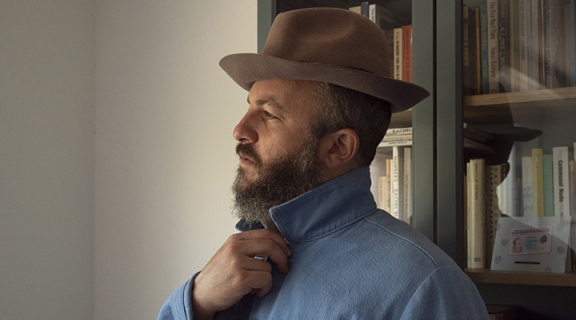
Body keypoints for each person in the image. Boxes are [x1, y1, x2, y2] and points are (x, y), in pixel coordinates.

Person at [158, 7, 489, 320]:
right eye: (248, 108)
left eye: (269, 114)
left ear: (338, 147)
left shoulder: (426, 285)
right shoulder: (234, 265)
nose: (239, 130)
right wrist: (198, 302)